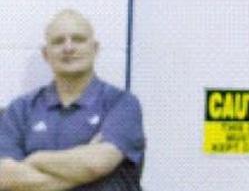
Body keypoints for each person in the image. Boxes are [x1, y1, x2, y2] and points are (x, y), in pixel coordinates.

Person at [0, 10, 145, 191]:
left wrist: (37, 159)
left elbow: (96, 164)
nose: (68, 48)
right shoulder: (20, 110)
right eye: (58, 41)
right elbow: (5, 177)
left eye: (78, 39)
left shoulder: (122, 103)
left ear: (95, 48)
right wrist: (82, 168)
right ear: (46, 54)